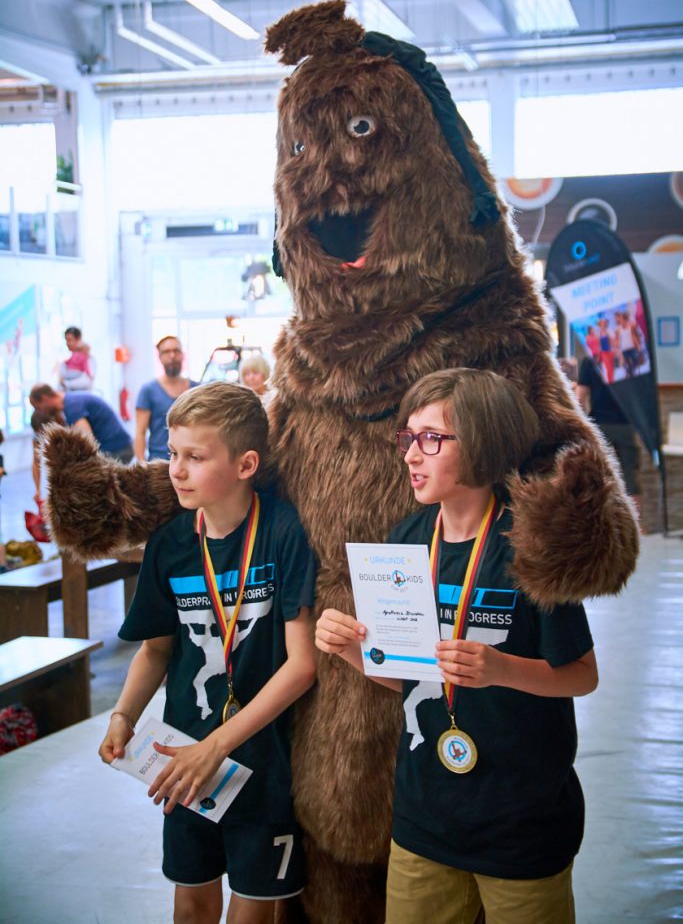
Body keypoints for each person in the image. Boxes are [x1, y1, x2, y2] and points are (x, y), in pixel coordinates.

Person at [316, 368, 598, 924]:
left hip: (521, 820)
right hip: (425, 817)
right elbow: (405, 673)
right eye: (409, 438)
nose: (411, 455)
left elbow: (581, 674)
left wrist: (501, 668)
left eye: (432, 439)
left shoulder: (532, 543)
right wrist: (351, 649)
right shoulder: (406, 539)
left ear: (485, 442)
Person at [98, 381, 317, 924]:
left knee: (255, 913)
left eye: (195, 457)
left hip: (263, 764)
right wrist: (124, 714)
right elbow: (155, 650)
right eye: (172, 453)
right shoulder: (170, 543)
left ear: (245, 464)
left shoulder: (283, 530)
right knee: (191, 903)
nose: (176, 469)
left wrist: (217, 746)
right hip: (182, 760)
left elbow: (302, 665)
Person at [29, 385, 133, 502]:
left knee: (96, 491)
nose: (38, 411)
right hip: (117, 446)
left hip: (117, 448)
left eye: (37, 407)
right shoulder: (69, 403)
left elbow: (87, 443)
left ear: (44, 398)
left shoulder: (72, 406)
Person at [577, 355, 642, 521]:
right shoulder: (626, 357)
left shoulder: (590, 359)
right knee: (629, 476)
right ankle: (636, 527)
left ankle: (603, 524)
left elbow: (580, 398)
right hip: (625, 425)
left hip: (600, 426)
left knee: (598, 476)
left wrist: (583, 423)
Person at [135, 336, 197, 461]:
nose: (172, 355)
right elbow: (140, 432)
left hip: (191, 461)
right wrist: (141, 466)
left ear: (182, 355)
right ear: (160, 357)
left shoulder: (196, 390)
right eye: (167, 352)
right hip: (159, 463)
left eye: (176, 351)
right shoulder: (148, 391)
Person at [59, 326, 96, 391]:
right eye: (66, 340)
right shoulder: (66, 362)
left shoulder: (88, 359)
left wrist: (66, 383)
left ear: (79, 338)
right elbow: (61, 382)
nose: (67, 344)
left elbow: (87, 381)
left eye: (70, 340)